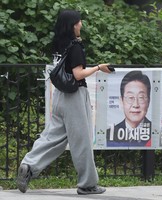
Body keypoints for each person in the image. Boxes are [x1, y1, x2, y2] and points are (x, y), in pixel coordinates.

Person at [16, 10, 112, 195]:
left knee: (53, 136)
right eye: (79, 21)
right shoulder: (75, 46)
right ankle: (87, 184)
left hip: (60, 95)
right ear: (73, 25)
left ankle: (28, 165)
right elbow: (78, 74)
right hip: (74, 96)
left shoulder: (59, 44)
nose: (81, 24)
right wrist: (99, 67)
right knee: (81, 141)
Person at [106, 70, 151, 147]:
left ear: (148, 101)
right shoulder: (109, 134)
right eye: (130, 97)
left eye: (141, 97)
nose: (135, 105)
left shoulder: (157, 133)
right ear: (121, 101)